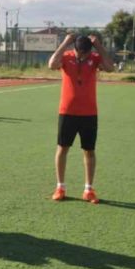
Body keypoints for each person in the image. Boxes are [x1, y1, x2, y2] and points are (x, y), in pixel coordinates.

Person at [48, 34, 114, 204]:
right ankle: (60, 187)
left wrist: (98, 45)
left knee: (89, 150)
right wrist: (65, 42)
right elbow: (51, 64)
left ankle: (88, 190)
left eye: (86, 53)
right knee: (62, 148)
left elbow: (110, 68)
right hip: (67, 112)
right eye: (80, 53)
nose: (83, 56)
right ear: (75, 49)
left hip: (89, 113)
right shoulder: (66, 57)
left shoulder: (95, 58)